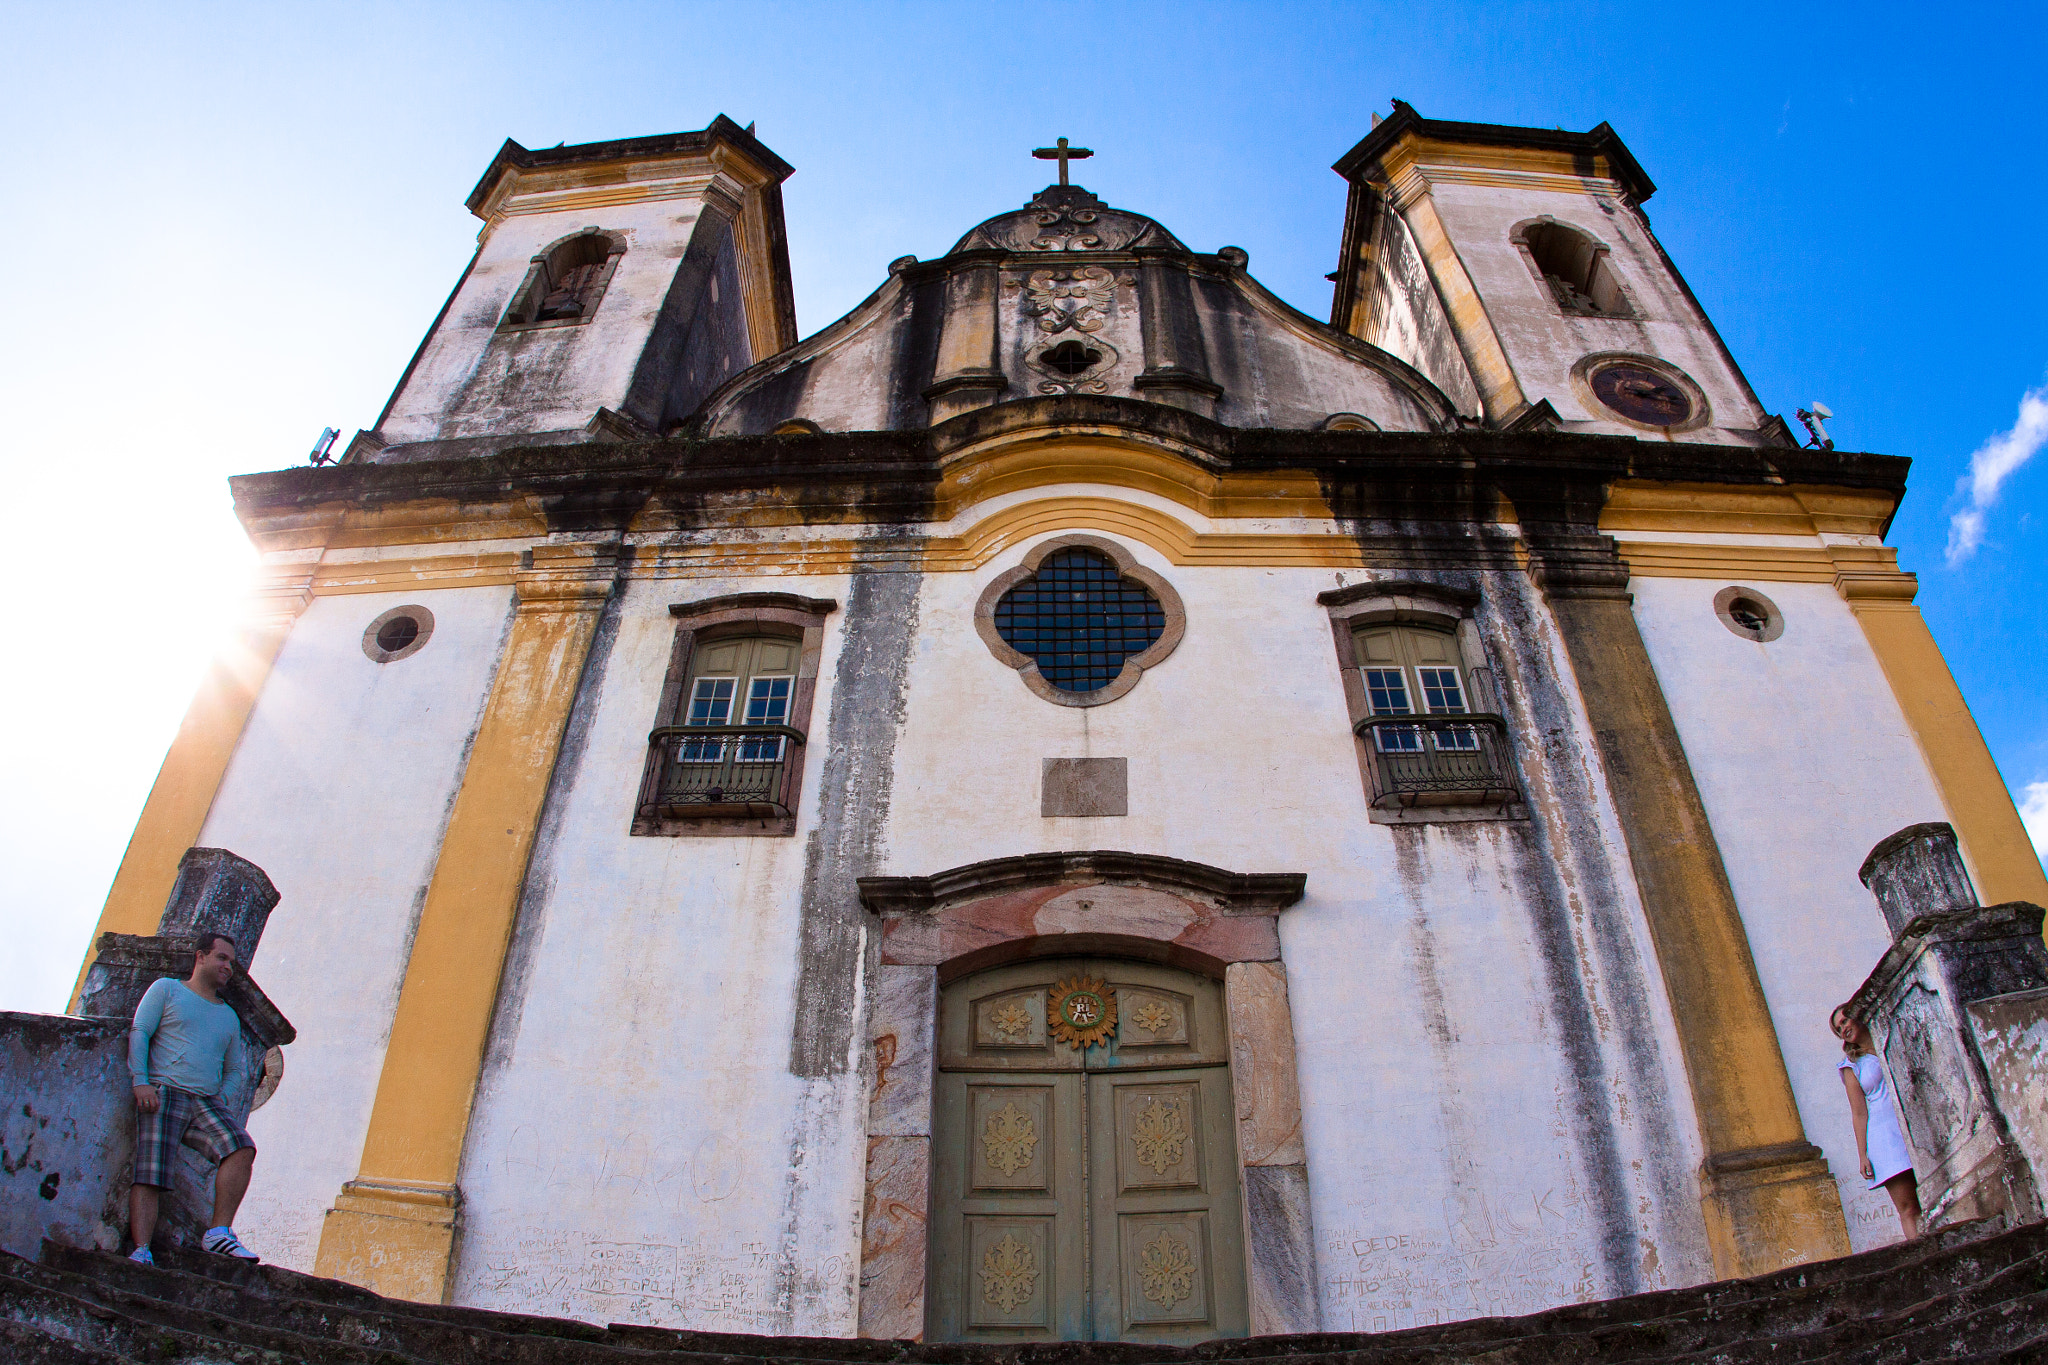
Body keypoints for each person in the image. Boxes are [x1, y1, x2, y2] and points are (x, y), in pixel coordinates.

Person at [127, 930, 260, 1263]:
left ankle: (218, 1233)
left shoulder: (228, 1016)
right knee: (151, 1172)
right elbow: (140, 1031)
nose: (229, 967)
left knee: (240, 1148)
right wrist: (140, 1081)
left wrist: (223, 1099)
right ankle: (141, 1250)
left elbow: (235, 1071)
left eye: (232, 962)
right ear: (200, 956)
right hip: (162, 1091)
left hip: (204, 1101)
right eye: (222, 958)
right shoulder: (167, 989)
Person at [1831, 1005, 1921, 1240]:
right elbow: (1859, 1113)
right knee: (1909, 1207)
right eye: (1838, 1028)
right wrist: (1863, 1155)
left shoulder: (1890, 1036)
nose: (1843, 1028)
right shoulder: (1852, 1065)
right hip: (1885, 1137)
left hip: (1917, 1123)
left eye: (1844, 1021)